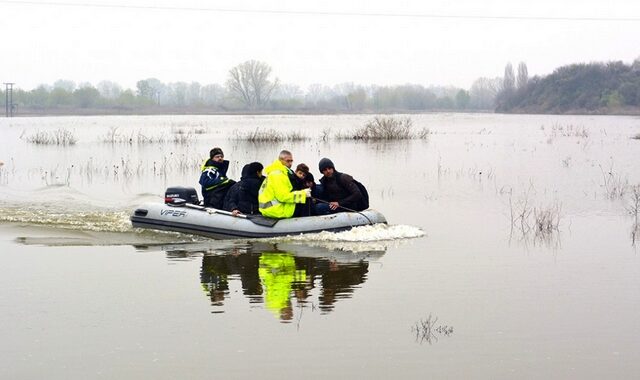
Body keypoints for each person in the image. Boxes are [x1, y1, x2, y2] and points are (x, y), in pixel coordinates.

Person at [258, 150, 310, 219]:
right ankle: (306, 223)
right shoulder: (278, 175)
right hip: (276, 210)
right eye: (288, 161)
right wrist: (303, 194)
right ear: (280, 160)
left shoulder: (275, 172)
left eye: (291, 161)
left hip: (268, 209)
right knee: (305, 201)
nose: (290, 164)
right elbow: (283, 197)